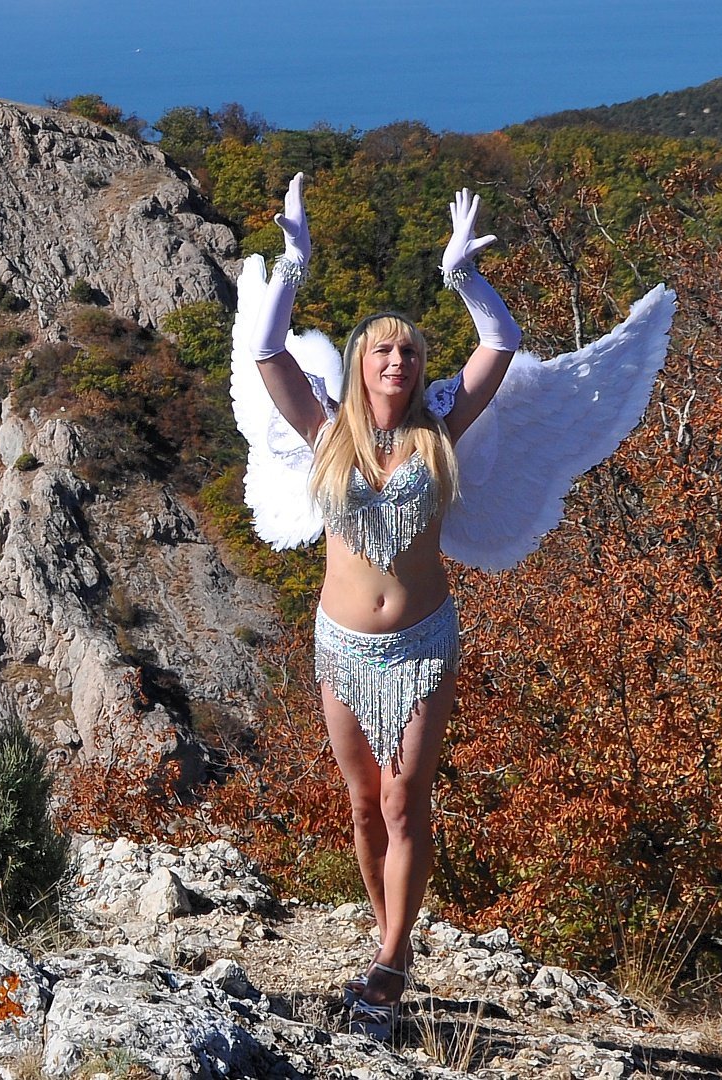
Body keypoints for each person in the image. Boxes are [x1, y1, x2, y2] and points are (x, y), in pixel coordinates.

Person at [245, 174, 523, 1034]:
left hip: (421, 646)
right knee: (363, 803)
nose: (396, 362)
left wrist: (462, 276)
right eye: (380, 351)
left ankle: (393, 960)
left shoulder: (441, 424)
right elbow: (266, 353)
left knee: (406, 801)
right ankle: (385, 932)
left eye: (407, 352)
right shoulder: (325, 430)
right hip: (338, 649)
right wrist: (293, 263)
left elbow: (502, 341)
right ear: (362, 363)